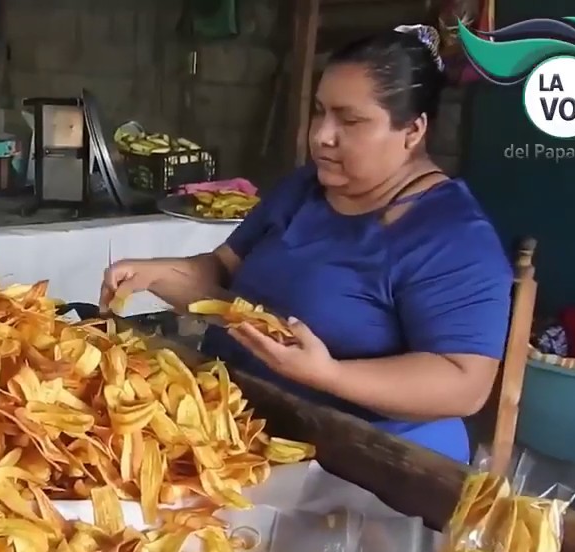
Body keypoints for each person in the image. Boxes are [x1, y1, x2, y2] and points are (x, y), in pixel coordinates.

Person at [101, 26, 512, 464]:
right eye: (320, 112)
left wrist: (330, 375)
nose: (321, 136)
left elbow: (464, 384)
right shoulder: (302, 190)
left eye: (349, 120)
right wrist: (159, 272)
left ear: (412, 130)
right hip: (240, 424)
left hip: (370, 461)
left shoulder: (452, 237)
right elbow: (221, 268)